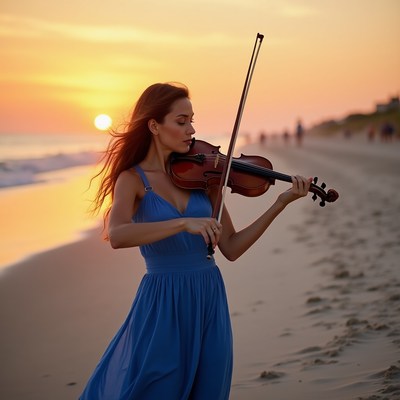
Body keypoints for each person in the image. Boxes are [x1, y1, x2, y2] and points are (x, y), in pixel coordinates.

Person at [79, 82, 312, 400]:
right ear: (154, 126)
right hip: (163, 302)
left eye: (192, 120)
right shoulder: (133, 180)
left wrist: (279, 204)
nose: (191, 129)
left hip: (208, 296)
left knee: (209, 388)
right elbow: (117, 235)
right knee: (158, 387)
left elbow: (230, 247)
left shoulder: (205, 176)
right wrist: (182, 223)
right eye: (181, 121)